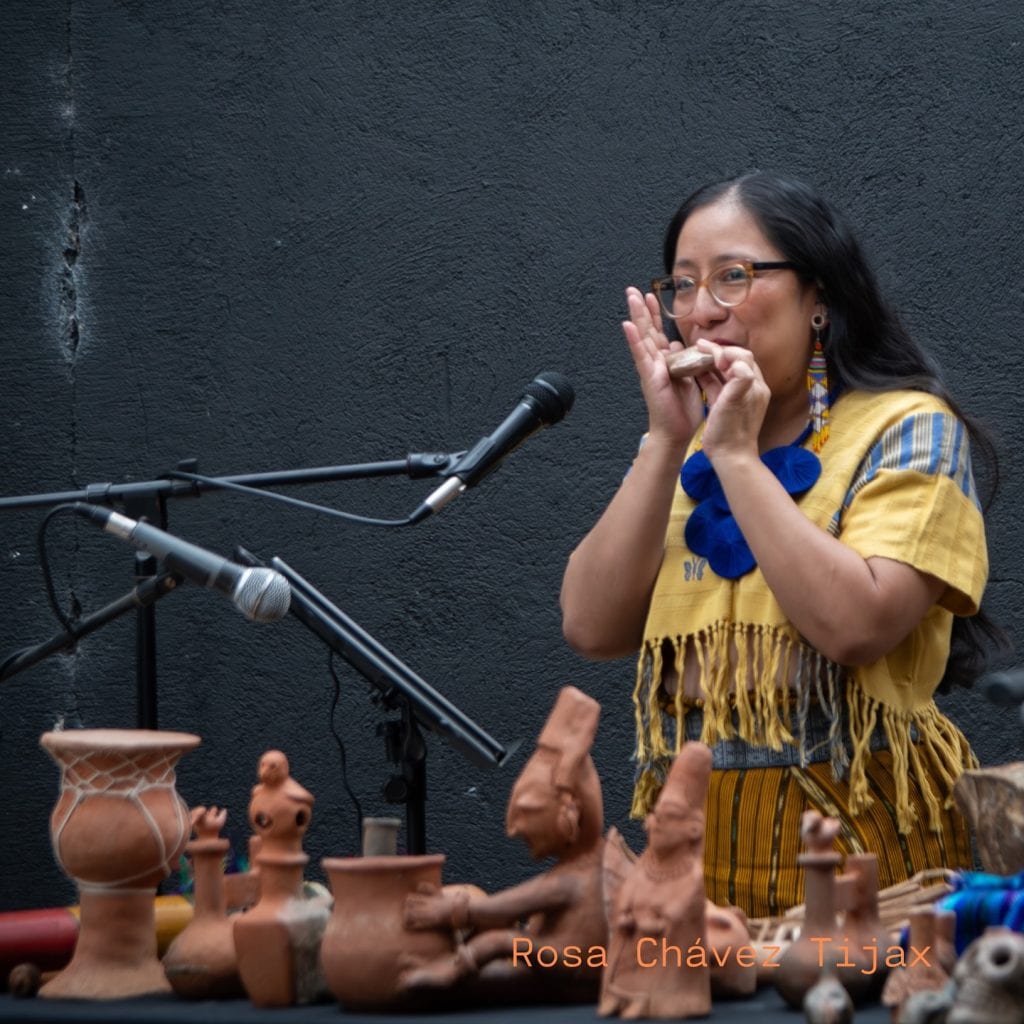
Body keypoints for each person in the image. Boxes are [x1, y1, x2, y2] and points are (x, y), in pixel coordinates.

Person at [560, 172, 1000, 919]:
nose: (701, 312)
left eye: (734, 277)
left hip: (864, 829)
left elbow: (858, 625)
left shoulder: (910, 427)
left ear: (819, 297)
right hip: (700, 840)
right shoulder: (683, 443)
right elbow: (590, 626)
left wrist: (734, 457)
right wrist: (669, 440)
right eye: (683, 284)